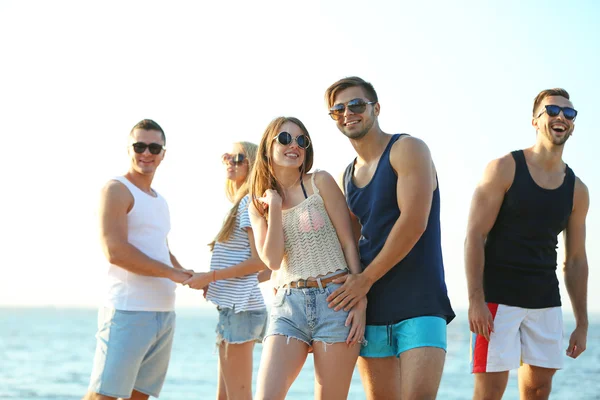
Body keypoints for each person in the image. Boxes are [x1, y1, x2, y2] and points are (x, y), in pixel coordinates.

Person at [323, 76, 455, 400]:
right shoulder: (347, 175)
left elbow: (414, 222)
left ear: (376, 108)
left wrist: (364, 281)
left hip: (420, 302)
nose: (347, 113)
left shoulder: (408, 148)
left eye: (356, 105)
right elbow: (351, 244)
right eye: (338, 109)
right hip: (373, 308)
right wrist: (358, 295)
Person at [465, 88, 589, 400]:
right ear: (535, 120)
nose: (561, 117)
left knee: (538, 391)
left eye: (569, 113)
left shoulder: (577, 190)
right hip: (496, 299)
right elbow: (475, 236)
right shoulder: (504, 168)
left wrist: (582, 323)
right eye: (552, 111)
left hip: (545, 301)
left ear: (572, 124)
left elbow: (575, 261)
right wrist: (476, 300)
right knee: (489, 392)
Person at [248, 116, 366, 400]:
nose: (295, 146)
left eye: (302, 141)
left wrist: (361, 300)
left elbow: (349, 241)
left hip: (336, 302)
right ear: (268, 148)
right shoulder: (258, 204)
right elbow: (273, 261)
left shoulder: (320, 182)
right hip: (289, 306)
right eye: (286, 139)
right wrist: (274, 206)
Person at [83, 119, 191, 400]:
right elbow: (114, 250)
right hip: (127, 312)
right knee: (102, 396)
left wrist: (188, 275)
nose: (147, 153)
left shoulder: (160, 200)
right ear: (129, 149)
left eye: (154, 147)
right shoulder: (116, 189)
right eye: (140, 146)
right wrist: (170, 273)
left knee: (139, 397)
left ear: (163, 154)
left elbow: (161, 249)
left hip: (164, 315)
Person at [183, 142, 270, 400]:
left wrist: (211, 277)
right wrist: (218, 283)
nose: (231, 162)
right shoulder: (240, 205)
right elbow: (262, 269)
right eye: (227, 157)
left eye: (239, 158)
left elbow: (259, 261)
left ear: (252, 164)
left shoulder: (248, 205)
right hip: (235, 310)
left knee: (238, 397)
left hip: (241, 311)